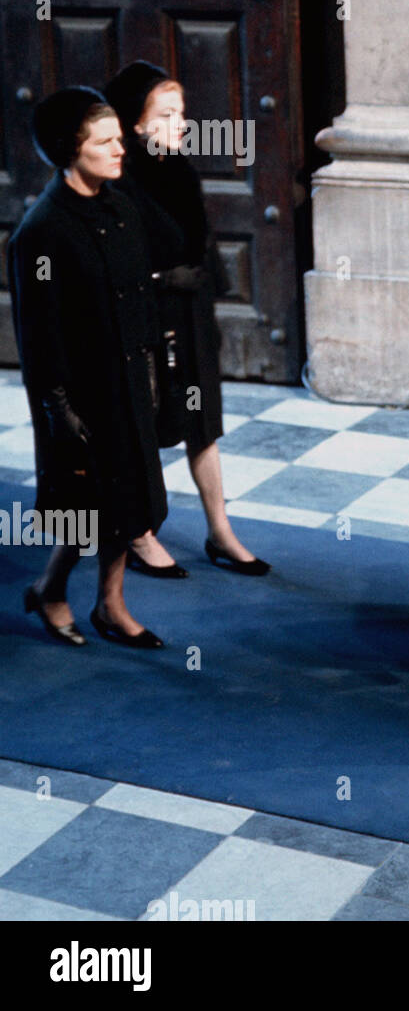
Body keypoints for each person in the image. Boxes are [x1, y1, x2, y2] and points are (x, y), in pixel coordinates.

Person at [10, 88, 168, 648]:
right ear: (69, 150)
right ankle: (51, 590)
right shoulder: (43, 231)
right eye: (105, 142)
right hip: (79, 392)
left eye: (119, 138)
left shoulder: (122, 207)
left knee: (129, 501)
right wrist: (58, 408)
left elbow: (143, 298)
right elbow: (38, 331)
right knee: (85, 506)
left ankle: (109, 603)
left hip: (129, 379)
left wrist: (155, 372)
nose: (120, 149)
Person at [104, 62, 269, 575]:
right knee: (144, 425)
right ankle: (138, 532)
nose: (180, 124)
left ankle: (220, 531)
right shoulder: (117, 182)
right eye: (166, 115)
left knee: (203, 425)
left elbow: (201, 248)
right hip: (148, 320)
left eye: (183, 114)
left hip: (191, 314)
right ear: (135, 124)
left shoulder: (180, 170)